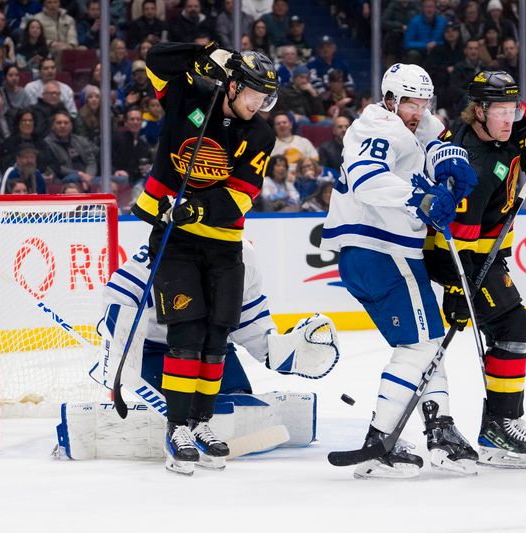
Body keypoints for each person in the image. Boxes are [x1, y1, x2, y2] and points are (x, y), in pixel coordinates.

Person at [321, 63, 480, 479]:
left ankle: (440, 432)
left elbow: (440, 140)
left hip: (383, 252)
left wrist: (451, 163)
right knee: (420, 346)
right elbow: (366, 179)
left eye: (423, 101)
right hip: (380, 247)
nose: (418, 109)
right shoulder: (378, 125)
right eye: (410, 101)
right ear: (391, 98)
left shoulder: (418, 121)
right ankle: (381, 442)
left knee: (426, 343)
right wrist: (421, 198)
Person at [129, 41, 278, 475]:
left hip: (224, 245)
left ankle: (202, 422)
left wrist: (197, 207)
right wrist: (207, 51)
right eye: (252, 94)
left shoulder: (261, 135)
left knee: (217, 338)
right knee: (187, 332)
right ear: (231, 85)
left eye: (264, 97)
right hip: (176, 241)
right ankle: (176, 428)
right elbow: (156, 58)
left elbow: (242, 196)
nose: (258, 104)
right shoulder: (187, 98)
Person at [73, 239, 339, 460]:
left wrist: (277, 351)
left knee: (235, 403)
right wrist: (118, 352)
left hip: (212, 345)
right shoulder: (166, 247)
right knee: (181, 409)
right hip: (155, 349)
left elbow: (247, 314)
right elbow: (120, 295)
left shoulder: (245, 255)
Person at [424, 71, 526, 469]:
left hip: (486, 253)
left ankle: (500, 425)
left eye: (513, 110)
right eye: (500, 111)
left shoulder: (509, 127)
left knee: (511, 329)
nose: (509, 119)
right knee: (514, 326)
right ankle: (501, 428)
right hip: (460, 258)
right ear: (478, 112)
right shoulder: (471, 166)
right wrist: (456, 289)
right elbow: (455, 245)